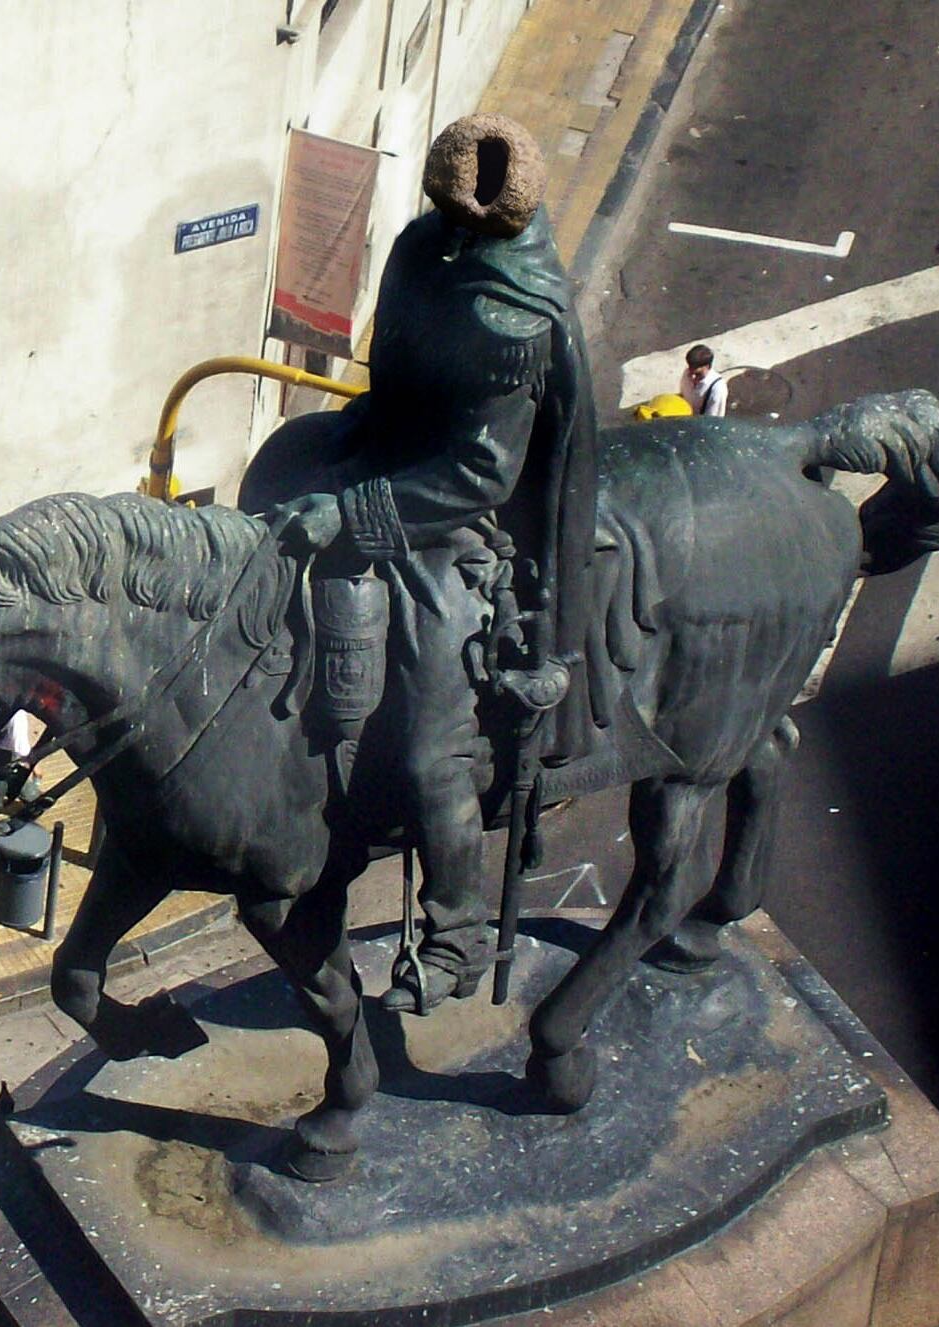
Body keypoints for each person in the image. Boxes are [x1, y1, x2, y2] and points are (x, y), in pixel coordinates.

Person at [257, 113, 599, 1014]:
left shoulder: (515, 317)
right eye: (442, 214)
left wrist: (350, 512)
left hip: (457, 519)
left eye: (461, 221)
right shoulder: (419, 250)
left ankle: (456, 931)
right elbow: (391, 384)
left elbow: (482, 473)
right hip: (384, 454)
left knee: (425, 748)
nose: (447, 230)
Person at [678, 344, 728, 417]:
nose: (692, 376)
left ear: (707, 366)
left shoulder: (718, 388)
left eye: (697, 374)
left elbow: (712, 419)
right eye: (690, 368)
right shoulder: (687, 373)